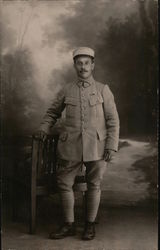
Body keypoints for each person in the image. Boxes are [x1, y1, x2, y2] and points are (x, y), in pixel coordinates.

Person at [37, 47, 120, 240]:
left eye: (86, 63)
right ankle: (69, 224)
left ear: (93, 65)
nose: (83, 67)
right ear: (74, 65)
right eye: (79, 63)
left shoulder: (102, 89)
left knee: (94, 184)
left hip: (97, 147)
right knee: (64, 184)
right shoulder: (67, 89)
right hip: (70, 146)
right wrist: (43, 128)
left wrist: (111, 146)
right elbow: (51, 113)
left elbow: (113, 120)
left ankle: (89, 225)